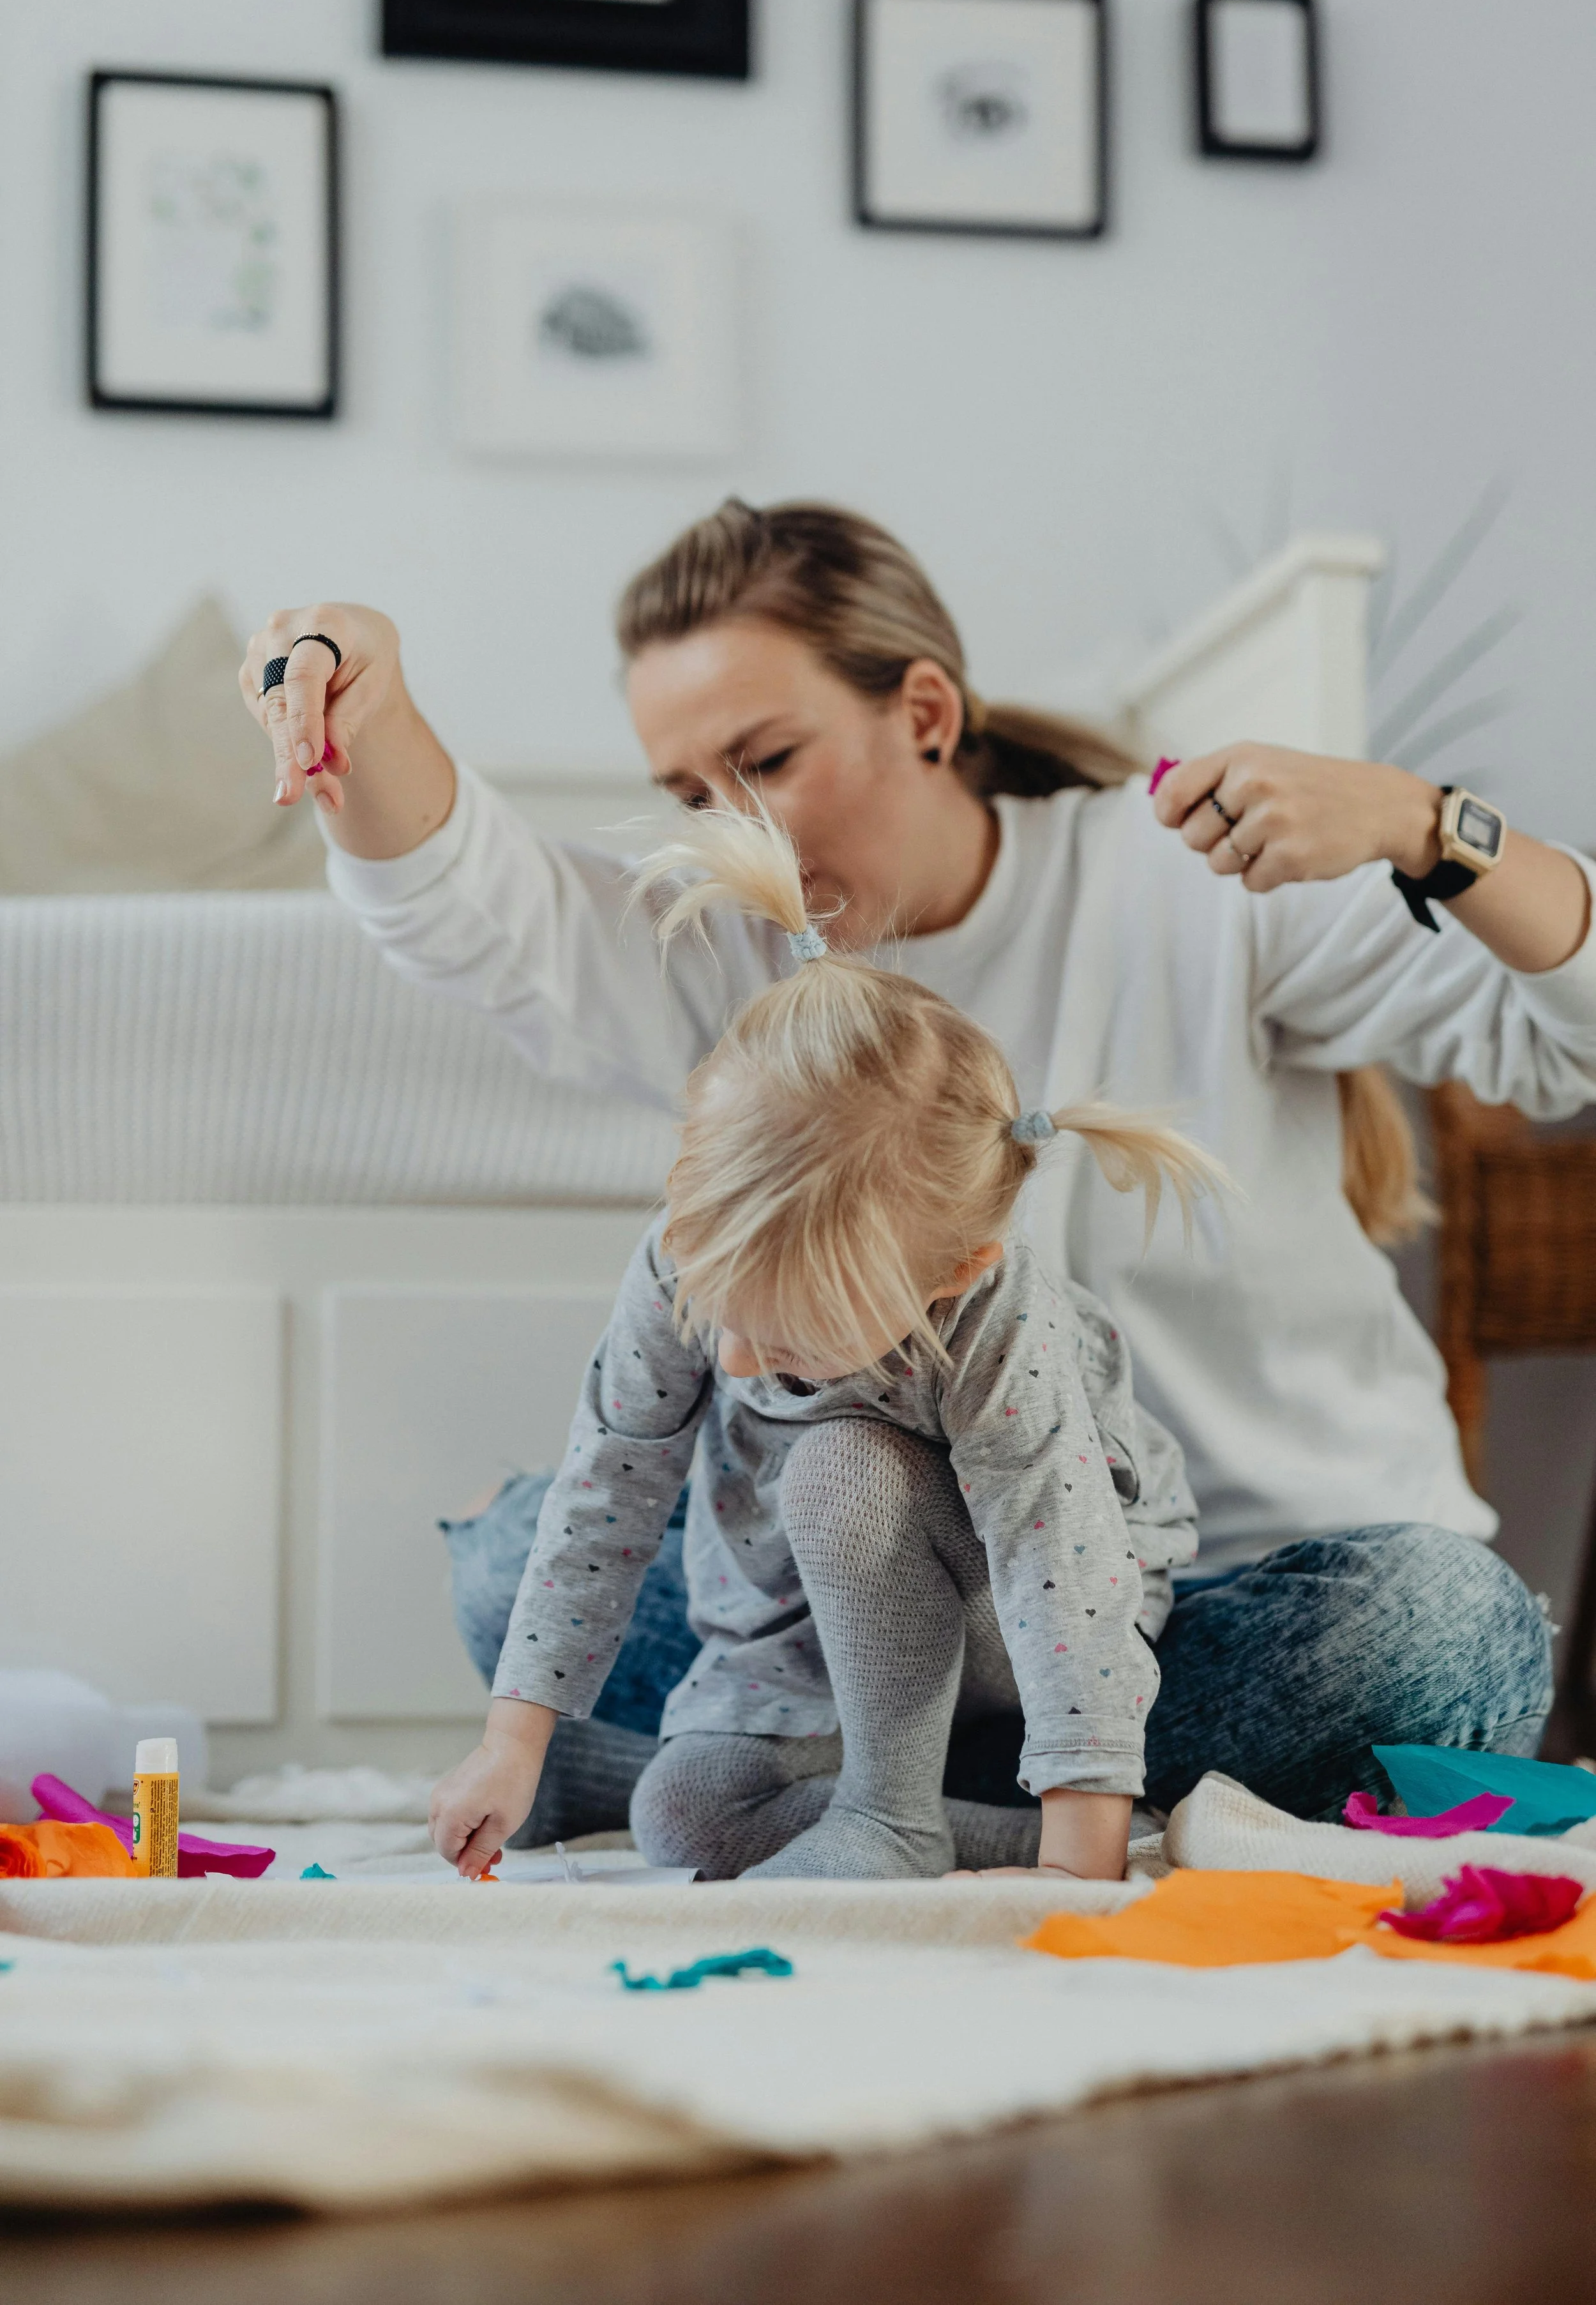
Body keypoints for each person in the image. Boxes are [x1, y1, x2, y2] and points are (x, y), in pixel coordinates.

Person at [240, 500, 1596, 1826]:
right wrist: (370, 711)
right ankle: (941, 1785)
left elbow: (1565, 1042)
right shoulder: (728, 937)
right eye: (684, 791)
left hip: (1211, 1606)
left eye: (766, 760)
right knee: (503, 1564)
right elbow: (472, 907)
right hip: (875, 1608)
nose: (737, 827)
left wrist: (1427, 826)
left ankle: (853, 1788)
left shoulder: (1178, 879)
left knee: (1442, 1625)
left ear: (927, 715)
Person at [428, 799, 1219, 1883]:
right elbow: (607, 1488)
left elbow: (1058, 1567)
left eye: (796, 1341)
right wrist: (508, 1745)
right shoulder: (690, 1253)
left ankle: (896, 1819)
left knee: (841, 1462)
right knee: (684, 1817)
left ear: (952, 1274)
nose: (743, 1366)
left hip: (1014, 1602)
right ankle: (944, 1825)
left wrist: (1080, 1875)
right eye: (728, 1316)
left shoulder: (993, 1310)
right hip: (809, 1603)